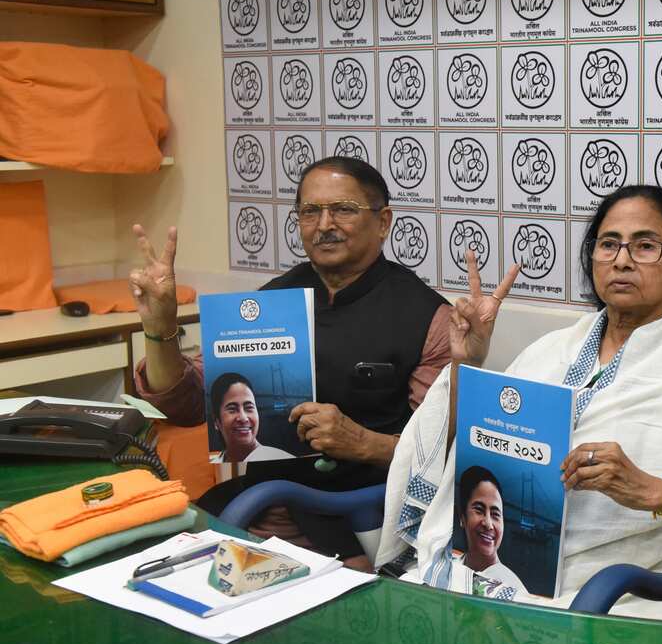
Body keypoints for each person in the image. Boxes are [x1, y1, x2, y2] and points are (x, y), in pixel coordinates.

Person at [377, 185, 662, 625]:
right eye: (608, 244)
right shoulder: (552, 350)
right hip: (487, 569)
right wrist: (466, 363)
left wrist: (656, 492)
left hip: (613, 595)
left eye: (645, 246)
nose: (622, 259)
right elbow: (458, 455)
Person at [130, 156, 452, 564]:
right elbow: (188, 403)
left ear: (383, 221)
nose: (324, 225)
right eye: (310, 211)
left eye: (343, 210)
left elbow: (436, 455)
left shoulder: (428, 317)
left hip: (357, 519)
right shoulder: (270, 302)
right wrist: (161, 329)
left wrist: (363, 443)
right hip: (253, 509)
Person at [455, 466, 528, 596]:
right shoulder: (450, 566)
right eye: (479, 510)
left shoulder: (513, 588)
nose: (488, 524)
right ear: (462, 516)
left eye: (495, 514)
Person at [207, 371, 292, 464]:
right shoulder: (213, 466)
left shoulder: (284, 460)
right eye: (232, 409)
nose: (243, 418)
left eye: (249, 408)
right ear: (216, 421)